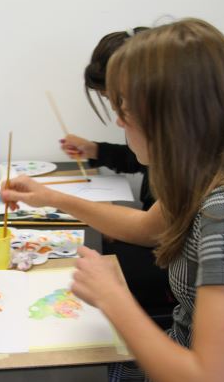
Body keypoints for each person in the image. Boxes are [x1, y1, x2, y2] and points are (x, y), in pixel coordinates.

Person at [1, 19, 224, 382]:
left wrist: (113, 297)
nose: (119, 121)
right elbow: (146, 228)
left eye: (124, 108)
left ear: (170, 117)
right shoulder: (210, 168)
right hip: (183, 370)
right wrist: (51, 197)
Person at [62, 27, 175, 317]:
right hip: (160, 244)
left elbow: (151, 231)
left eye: (120, 102)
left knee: (77, 266)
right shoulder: (172, 146)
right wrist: (95, 150)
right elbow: (140, 160)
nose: (118, 119)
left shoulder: (197, 174)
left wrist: (57, 200)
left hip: (166, 265)